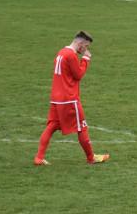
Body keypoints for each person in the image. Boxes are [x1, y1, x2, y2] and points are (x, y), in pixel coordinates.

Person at [33, 31, 110, 166]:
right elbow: (78, 74)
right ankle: (91, 158)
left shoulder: (61, 52)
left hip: (56, 98)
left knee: (51, 126)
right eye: (86, 46)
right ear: (80, 43)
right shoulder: (71, 55)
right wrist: (86, 59)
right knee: (82, 128)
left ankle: (39, 158)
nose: (86, 49)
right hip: (69, 98)